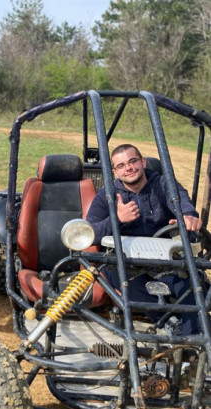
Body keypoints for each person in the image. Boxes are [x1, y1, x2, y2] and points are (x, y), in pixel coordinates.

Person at [86, 143, 203, 335]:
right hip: (130, 266)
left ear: (143, 162)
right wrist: (117, 219)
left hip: (167, 263)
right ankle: (169, 322)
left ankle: (193, 337)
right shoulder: (107, 195)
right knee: (112, 270)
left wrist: (187, 216)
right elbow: (89, 232)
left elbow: (181, 202)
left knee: (194, 280)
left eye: (133, 161)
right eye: (121, 165)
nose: (129, 168)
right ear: (115, 172)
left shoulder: (164, 184)